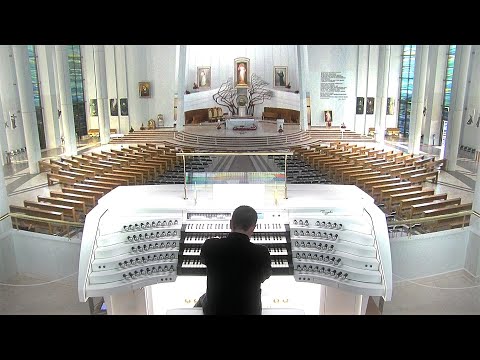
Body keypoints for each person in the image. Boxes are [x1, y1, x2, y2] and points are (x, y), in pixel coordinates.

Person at [195, 205, 272, 315]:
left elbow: (204, 260)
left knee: (203, 298)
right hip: (249, 311)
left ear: (231, 223)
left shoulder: (210, 245)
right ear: (253, 227)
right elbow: (265, 276)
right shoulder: (262, 253)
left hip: (216, 311)